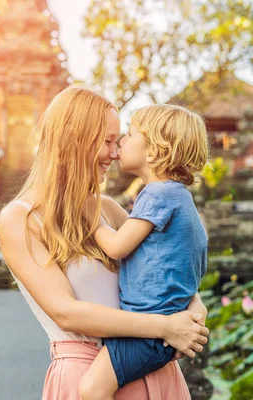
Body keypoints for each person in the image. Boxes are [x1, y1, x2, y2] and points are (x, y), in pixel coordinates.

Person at [0, 87, 209, 399]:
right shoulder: (21, 220)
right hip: (88, 375)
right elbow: (66, 313)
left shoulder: (106, 207)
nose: (115, 152)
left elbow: (167, 259)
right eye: (108, 141)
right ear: (74, 139)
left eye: (118, 139)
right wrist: (165, 327)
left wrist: (194, 304)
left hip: (152, 369)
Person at [78, 104, 210, 400]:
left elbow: (116, 246)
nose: (121, 143)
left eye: (129, 135)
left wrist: (91, 216)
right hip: (161, 325)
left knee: (91, 390)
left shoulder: (157, 193)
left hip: (149, 328)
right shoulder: (178, 196)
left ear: (153, 152)